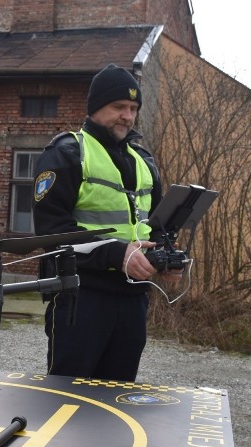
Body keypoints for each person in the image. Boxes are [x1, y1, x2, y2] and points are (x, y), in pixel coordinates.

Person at [33, 63, 177, 382]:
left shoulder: (144, 162)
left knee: (117, 400)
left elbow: (152, 227)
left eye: (134, 108)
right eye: (119, 107)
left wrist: (166, 256)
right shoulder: (67, 153)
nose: (128, 116)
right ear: (96, 108)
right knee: (67, 396)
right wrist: (117, 253)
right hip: (80, 298)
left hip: (133, 299)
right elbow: (51, 233)